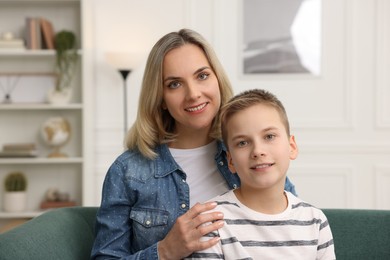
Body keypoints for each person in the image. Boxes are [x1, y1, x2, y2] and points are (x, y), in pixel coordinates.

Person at [91, 29, 297, 259]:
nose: (193, 94)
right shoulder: (128, 171)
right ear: (160, 99)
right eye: (174, 84)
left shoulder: (253, 156)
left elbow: (291, 233)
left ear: (217, 79)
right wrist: (165, 251)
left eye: (202, 76)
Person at [186, 89, 335, 260]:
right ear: (231, 161)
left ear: (291, 147)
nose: (258, 151)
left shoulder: (315, 221)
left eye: (269, 136)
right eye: (242, 143)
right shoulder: (211, 222)